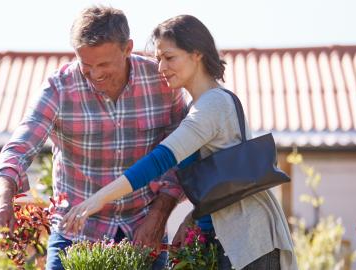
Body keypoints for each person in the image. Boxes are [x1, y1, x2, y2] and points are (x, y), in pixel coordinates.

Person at [61, 15, 297, 270]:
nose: (161, 67)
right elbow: (215, 183)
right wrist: (193, 219)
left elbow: (161, 159)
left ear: (197, 54)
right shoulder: (198, 107)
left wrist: (98, 199)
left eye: (170, 58)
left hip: (251, 238)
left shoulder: (213, 105)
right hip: (232, 238)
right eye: (158, 59)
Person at [0, 6, 190, 270]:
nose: (95, 74)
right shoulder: (59, 88)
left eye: (104, 64)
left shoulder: (162, 82)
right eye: (86, 64)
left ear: (127, 48)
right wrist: (1, 199)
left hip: (143, 228)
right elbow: (19, 148)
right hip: (75, 232)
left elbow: (180, 154)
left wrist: (160, 215)